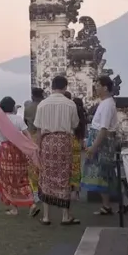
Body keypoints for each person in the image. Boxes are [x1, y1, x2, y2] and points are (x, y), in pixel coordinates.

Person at [35, 75, 81, 225]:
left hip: (47, 141)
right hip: (64, 142)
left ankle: (47, 216)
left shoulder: (42, 104)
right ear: (65, 87)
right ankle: (65, 215)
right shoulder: (70, 104)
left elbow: (38, 128)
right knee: (63, 176)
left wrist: (37, 147)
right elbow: (74, 124)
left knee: (46, 176)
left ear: (52, 86)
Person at [81, 75, 120, 216]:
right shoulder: (105, 103)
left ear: (105, 87)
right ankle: (106, 205)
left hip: (103, 142)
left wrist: (94, 146)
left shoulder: (108, 104)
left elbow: (103, 129)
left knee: (104, 173)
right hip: (99, 139)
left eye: (98, 85)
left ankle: (107, 204)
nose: (96, 88)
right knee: (102, 174)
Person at [0, 96, 32, 214]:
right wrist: (30, 147)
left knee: (8, 179)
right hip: (18, 150)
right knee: (22, 178)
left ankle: (14, 208)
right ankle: (31, 204)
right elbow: (27, 134)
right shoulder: (18, 119)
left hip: (5, 151)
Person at [70, 97, 86, 196]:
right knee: (76, 168)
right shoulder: (83, 117)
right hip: (78, 142)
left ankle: (69, 190)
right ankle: (77, 192)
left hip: (70, 141)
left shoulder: (72, 114)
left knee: (68, 167)